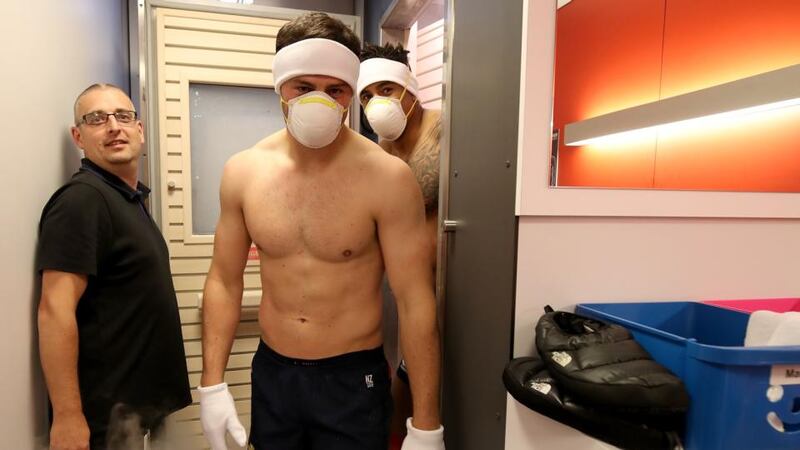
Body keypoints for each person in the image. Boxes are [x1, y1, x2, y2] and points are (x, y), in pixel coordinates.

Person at [197, 12, 445, 450]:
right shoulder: (244, 172)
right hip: (274, 374)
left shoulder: (387, 179)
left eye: (335, 90)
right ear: (280, 88)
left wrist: (426, 424)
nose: (320, 102)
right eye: (303, 87)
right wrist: (212, 384)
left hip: (352, 379)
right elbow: (223, 279)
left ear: (351, 93)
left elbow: (415, 299)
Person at [36, 83, 192, 450]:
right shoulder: (82, 201)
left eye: (123, 116)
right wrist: (68, 416)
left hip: (138, 416)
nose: (113, 126)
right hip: (105, 423)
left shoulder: (127, 197)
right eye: (96, 119)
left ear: (139, 129)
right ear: (78, 136)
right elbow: (54, 312)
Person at [357, 43, 443, 443]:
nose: (377, 103)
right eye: (367, 96)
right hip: (403, 300)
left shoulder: (448, 131)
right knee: (397, 398)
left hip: (455, 296)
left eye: (386, 89)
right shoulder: (378, 152)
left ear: (410, 87)